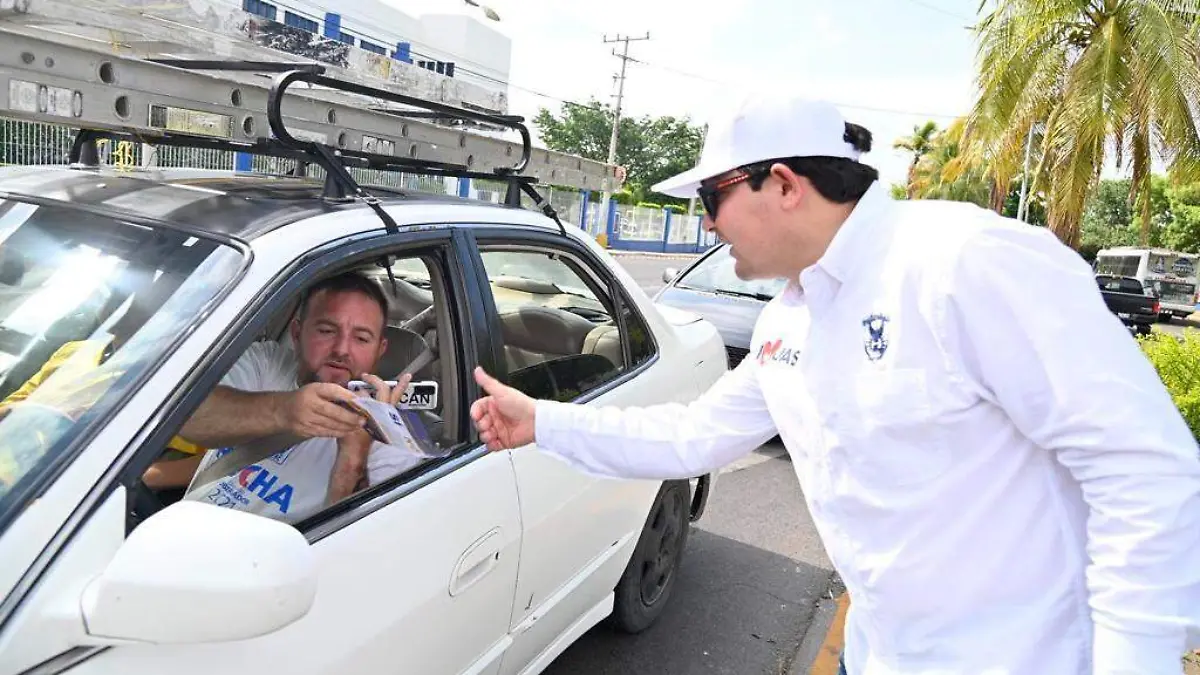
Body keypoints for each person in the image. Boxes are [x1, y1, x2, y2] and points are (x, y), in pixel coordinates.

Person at [469, 91, 1200, 674]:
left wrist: (1134, 658)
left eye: (711, 199)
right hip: (878, 652)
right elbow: (691, 434)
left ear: (782, 183)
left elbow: (1140, 464)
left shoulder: (962, 262)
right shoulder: (792, 319)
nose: (708, 224)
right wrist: (544, 420)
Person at [179, 272, 427, 523]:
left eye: (361, 338)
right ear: (297, 333)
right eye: (327, 330)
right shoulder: (265, 362)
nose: (341, 349)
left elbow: (348, 548)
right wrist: (287, 411)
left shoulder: (397, 449)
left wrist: (354, 455)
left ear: (380, 350)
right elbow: (187, 418)